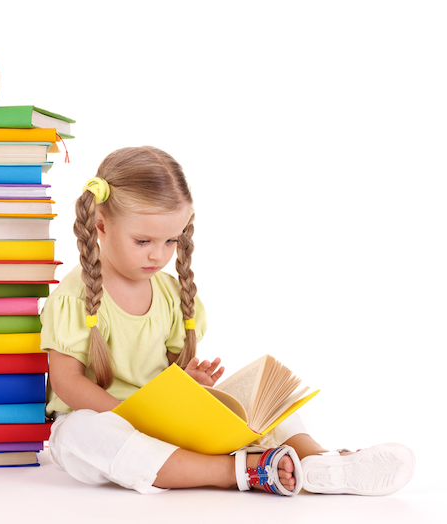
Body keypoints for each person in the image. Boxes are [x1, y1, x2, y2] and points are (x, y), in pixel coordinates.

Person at [40, 146, 415, 496]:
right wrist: (131, 419)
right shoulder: (75, 298)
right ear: (101, 225)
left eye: (171, 241)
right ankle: (241, 471)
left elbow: (168, 374)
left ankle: (320, 463)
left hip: (166, 423)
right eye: (143, 241)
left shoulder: (170, 293)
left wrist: (188, 382)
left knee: (262, 400)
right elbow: (67, 382)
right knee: (80, 433)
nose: (160, 255)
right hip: (114, 423)